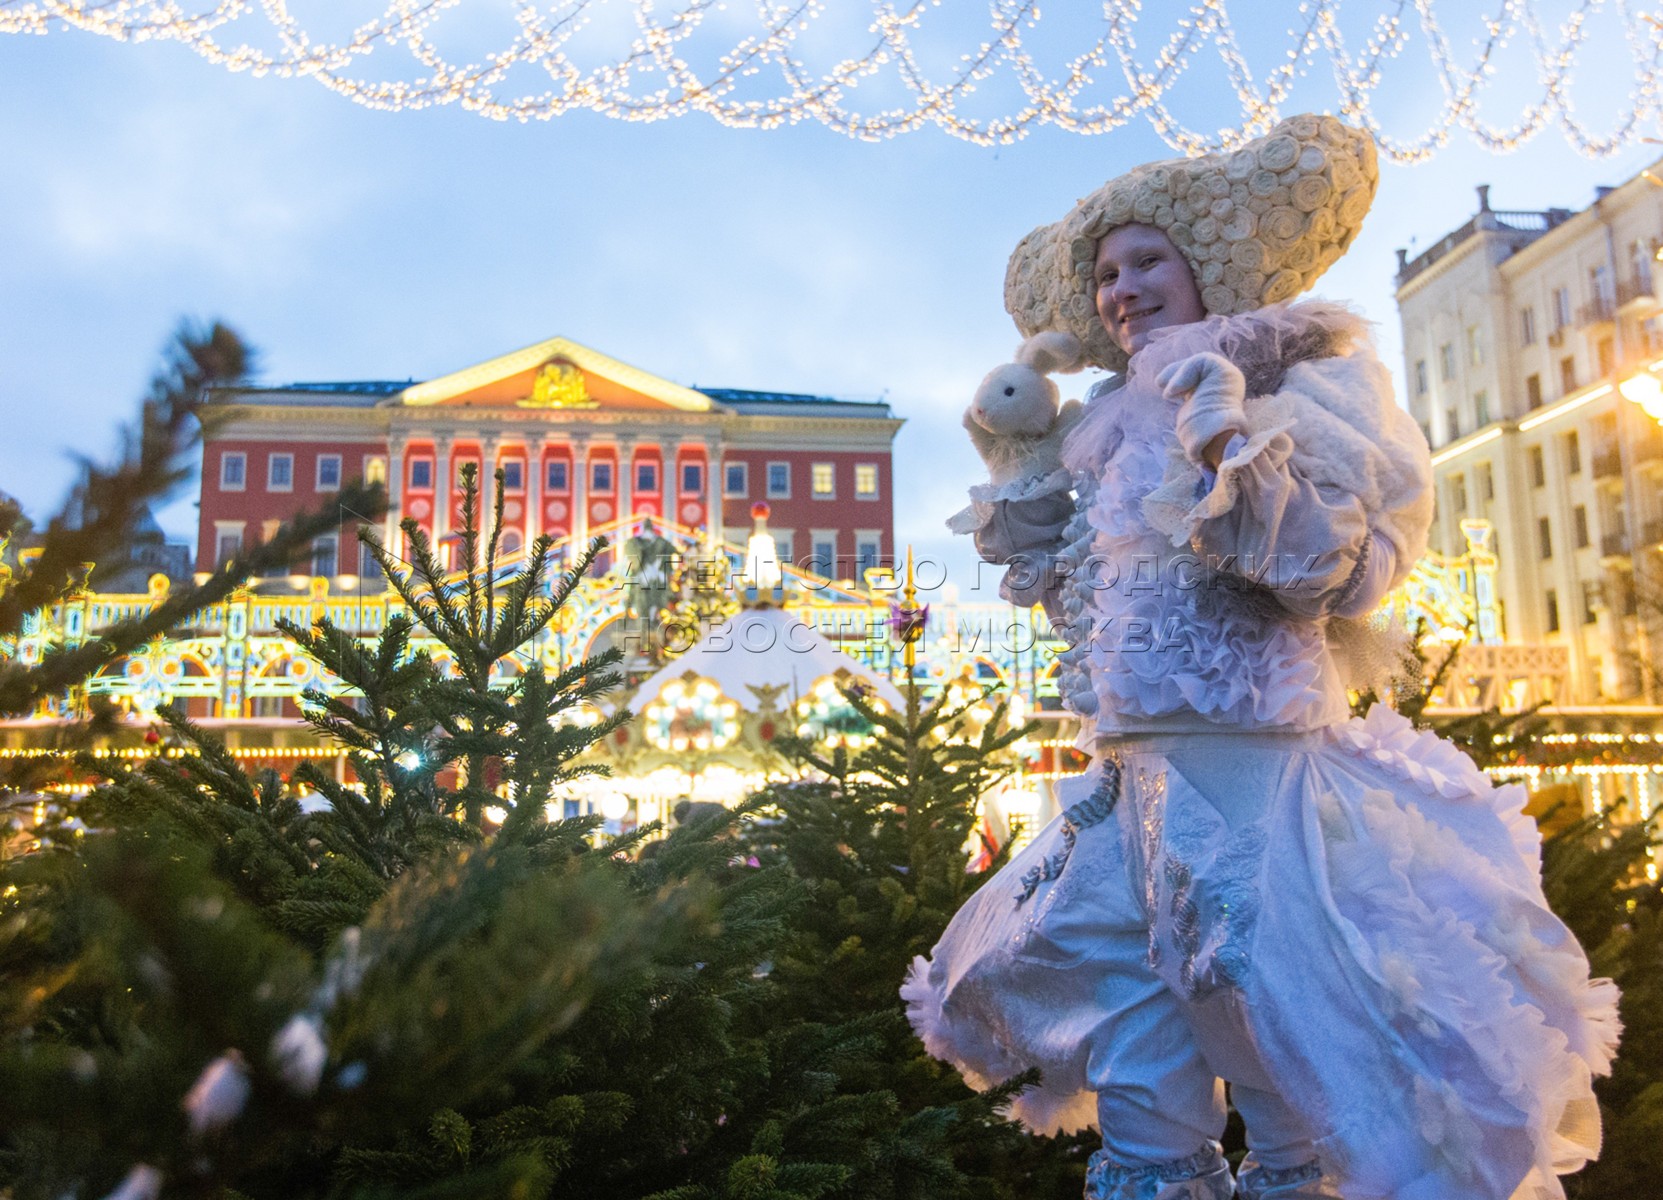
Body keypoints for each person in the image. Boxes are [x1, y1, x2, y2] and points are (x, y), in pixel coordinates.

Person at [903, 115, 1620, 1200]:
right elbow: (1079, 606)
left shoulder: (1300, 376)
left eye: (1145, 261)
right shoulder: (1103, 425)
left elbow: (1333, 570)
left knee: (1294, 1070)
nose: (1121, 289)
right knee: (1140, 1072)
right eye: (1105, 273)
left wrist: (1224, 437)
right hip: (1124, 794)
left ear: (1205, 264)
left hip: (1258, 792)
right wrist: (1024, 466)